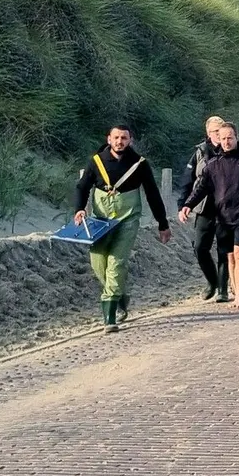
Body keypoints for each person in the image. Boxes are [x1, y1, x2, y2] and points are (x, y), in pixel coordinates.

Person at [72, 125, 172, 332]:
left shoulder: (140, 164)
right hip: (100, 220)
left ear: (130, 140)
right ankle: (120, 295)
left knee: (117, 262)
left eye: (124, 138)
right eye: (116, 137)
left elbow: (153, 193)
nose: (120, 141)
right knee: (98, 262)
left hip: (128, 219)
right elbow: (82, 187)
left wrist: (163, 223)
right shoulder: (96, 161)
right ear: (109, 139)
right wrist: (79, 209)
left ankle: (110, 317)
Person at [179, 122, 239, 309]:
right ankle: (233, 288)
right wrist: (187, 205)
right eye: (223, 139)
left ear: (237, 137)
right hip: (222, 217)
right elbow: (200, 188)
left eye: (230, 137)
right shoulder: (213, 164)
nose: (227, 142)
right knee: (229, 256)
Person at [178, 116, 226, 300]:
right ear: (208, 133)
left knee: (224, 249)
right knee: (199, 247)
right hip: (204, 206)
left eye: (221, 130)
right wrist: (183, 204)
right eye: (215, 131)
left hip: (226, 207)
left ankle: (222, 289)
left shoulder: (231, 148)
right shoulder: (200, 152)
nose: (219, 134)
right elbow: (188, 179)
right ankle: (212, 281)